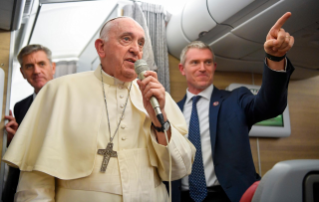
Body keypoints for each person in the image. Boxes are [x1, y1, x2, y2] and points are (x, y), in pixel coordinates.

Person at [3, 17, 195, 202]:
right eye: (126, 39)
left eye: (141, 43)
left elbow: (178, 169)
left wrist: (159, 123)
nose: (136, 50)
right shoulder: (59, 91)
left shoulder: (157, 97)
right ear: (101, 48)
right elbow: (35, 183)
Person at [172, 12, 295, 202]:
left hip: (229, 196)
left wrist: (275, 58)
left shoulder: (236, 99)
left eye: (207, 62)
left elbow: (270, 106)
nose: (202, 68)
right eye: (195, 62)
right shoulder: (170, 112)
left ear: (214, 66)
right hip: (182, 197)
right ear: (182, 69)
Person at [2, 44, 56, 202]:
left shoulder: (71, 101)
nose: (36, 71)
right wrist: (12, 141)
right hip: (23, 187)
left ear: (53, 67)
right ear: (22, 73)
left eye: (41, 64)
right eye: (29, 66)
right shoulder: (20, 106)